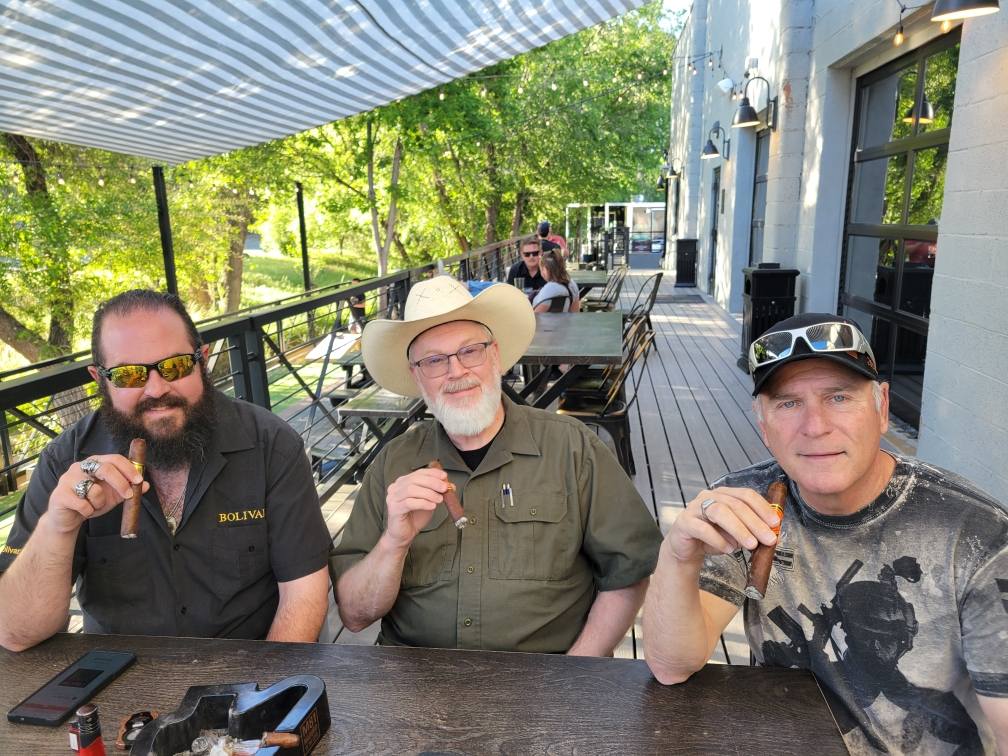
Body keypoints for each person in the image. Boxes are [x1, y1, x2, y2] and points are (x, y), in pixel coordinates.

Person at [642, 313, 1008, 755]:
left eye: (838, 397)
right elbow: (671, 666)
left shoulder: (977, 537)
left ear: (882, 407)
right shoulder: (746, 507)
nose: (815, 426)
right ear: (764, 424)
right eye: (788, 403)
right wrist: (677, 557)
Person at [332, 275, 661, 654]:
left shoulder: (572, 447)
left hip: (545, 682)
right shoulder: (394, 462)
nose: (456, 371)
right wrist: (394, 542)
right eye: (435, 360)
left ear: (496, 355)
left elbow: (628, 573)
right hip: (415, 683)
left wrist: (575, 674)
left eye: (470, 350)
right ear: (417, 376)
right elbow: (355, 616)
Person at [0, 290, 331, 651]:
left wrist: (263, 697)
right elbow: (15, 633)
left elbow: (304, 595)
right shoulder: (66, 460)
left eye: (175, 366)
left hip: (247, 673)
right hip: (120, 680)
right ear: (100, 379)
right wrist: (58, 524)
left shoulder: (271, 445)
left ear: (202, 360)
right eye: (129, 375)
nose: (156, 389)